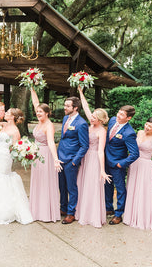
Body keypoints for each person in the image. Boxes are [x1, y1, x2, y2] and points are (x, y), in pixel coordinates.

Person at [0, 108, 34, 225]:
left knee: (1, 177)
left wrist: (10, 152)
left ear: (13, 117)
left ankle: (3, 211)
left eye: (8, 113)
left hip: (5, 157)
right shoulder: (3, 125)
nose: (5, 113)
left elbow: (15, 147)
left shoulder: (15, 131)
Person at [75, 87, 111, 228]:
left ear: (101, 120)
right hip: (85, 157)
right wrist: (81, 92)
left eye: (95, 117)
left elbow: (101, 151)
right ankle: (82, 212)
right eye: (92, 116)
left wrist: (102, 170)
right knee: (81, 184)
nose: (91, 117)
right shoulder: (90, 124)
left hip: (94, 160)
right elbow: (86, 107)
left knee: (92, 186)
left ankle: (92, 215)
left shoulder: (101, 131)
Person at [29, 88, 62, 222]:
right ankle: (36, 210)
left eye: (40, 112)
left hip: (45, 155)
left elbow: (50, 142)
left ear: (47, 113)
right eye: (37, 112)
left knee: (44, 181)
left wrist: (55, 160)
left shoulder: (49, 125)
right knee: (37, 181)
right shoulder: (40, 121)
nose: (38, 113)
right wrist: (31, 87)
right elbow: (35, 102)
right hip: (36, 155)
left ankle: (46, 212)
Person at [105, 105, 140, 225]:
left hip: (117, 164)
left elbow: (135, 154)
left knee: (120, 189)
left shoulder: (129, 133)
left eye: (121, 115)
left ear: (128, 118)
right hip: (106, 160)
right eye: (118, 112)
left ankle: (119, 214)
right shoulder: (112, 120)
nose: (118, 116)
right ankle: (108, 208)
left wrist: (121, 164)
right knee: (107, 185)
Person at [57, 96, 89, 224]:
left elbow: (84, 145)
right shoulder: (66, 118)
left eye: (67, 106)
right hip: (60, 158)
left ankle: (71, 213)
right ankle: (63, 208)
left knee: (71, 188)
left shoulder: (81, 124)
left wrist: (75, 161)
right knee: (62, 186)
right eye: (65, 105)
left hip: (71, 160)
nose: (64, 108)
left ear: (75, 108)